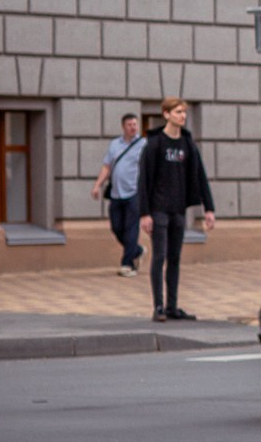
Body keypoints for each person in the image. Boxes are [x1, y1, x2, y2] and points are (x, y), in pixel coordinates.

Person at [134, 97, 217, 319]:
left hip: (178, 210)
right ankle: (158, 307)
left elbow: (200, 175)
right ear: (166, 114)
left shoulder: (187, 144)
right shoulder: (155, 144)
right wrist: (144, 213)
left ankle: (172, 306)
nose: (183, 116)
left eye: (184, 112)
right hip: (158, 210)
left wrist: (208, 209)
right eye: (178, 112)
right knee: (159, 256)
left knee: (175, 258)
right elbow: (144, 180)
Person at [90, 112, 146, 274]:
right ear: (123, 127)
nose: (133, 127)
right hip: (116, 193)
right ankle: (136, 251)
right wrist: (97, 185)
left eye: (135, 124)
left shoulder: (143, 144)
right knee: (117, 228)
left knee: (131, 228)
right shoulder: (115, 144)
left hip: (134, 193)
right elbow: (107, 166)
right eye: (129, 125)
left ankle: (127, 264)